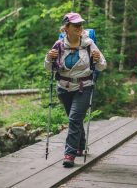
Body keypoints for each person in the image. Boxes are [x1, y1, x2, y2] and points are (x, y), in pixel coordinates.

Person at [44, 12, 106, 168]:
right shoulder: (58, 45)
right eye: (76, 25)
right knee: (75, 121)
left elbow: (102, 66)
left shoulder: (88, 44)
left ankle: (69, 154)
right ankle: (80, 144)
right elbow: (48, 68)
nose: (80, 27)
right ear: (66, 28)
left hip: (83, 87)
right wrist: (48, 58)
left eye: (81, 25)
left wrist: (97, 59)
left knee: (73, 119)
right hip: (63, 88)